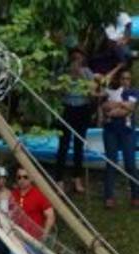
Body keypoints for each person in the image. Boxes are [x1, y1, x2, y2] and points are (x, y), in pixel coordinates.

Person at [55, 48, 98, 194]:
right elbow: (56, 91)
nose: (77, 61)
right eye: (74, 58)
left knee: (79, 144)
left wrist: (81, 77)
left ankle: (76, 178)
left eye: (79, 59)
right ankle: (59, 180)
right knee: (63, 145)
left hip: (82, 110)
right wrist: (68, 77)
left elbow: (92, 94)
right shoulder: (63, 72)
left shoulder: (87, 72)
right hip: (66, 109)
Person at [9, 167, 56, 254]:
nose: (22, 180)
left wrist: (44, 234)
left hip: (33, 240)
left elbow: (50, 215)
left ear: (31, 179)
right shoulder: (13, 194)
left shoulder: (38, 194)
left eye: (25, 177)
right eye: (19, 177)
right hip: (16, 240)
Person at [100, 68, 138, 208]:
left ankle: (136, 195)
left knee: (130, 164)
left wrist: (114, 107)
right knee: (111, 163)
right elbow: (104, 107)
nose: (125, 81)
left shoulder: (134, 92)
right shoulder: (109, 90)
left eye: (127, 78)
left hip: (127, 132)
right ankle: (109, 197)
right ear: (118, 79)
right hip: (110, 132)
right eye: (122, 78)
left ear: (130, 80)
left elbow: (129, 108)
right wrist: (122, 106)